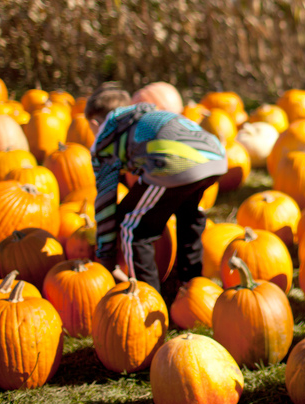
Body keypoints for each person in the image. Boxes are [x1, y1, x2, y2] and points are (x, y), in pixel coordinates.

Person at [86, 83, 228, 299]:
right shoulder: (147, 114)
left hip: (175, 164)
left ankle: (147, 297)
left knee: (131, 225)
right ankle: (192, 285)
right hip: (215, 157)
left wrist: (106, 258)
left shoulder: (105, 136)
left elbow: (105, 202)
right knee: (188, 214)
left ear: (96, 122)